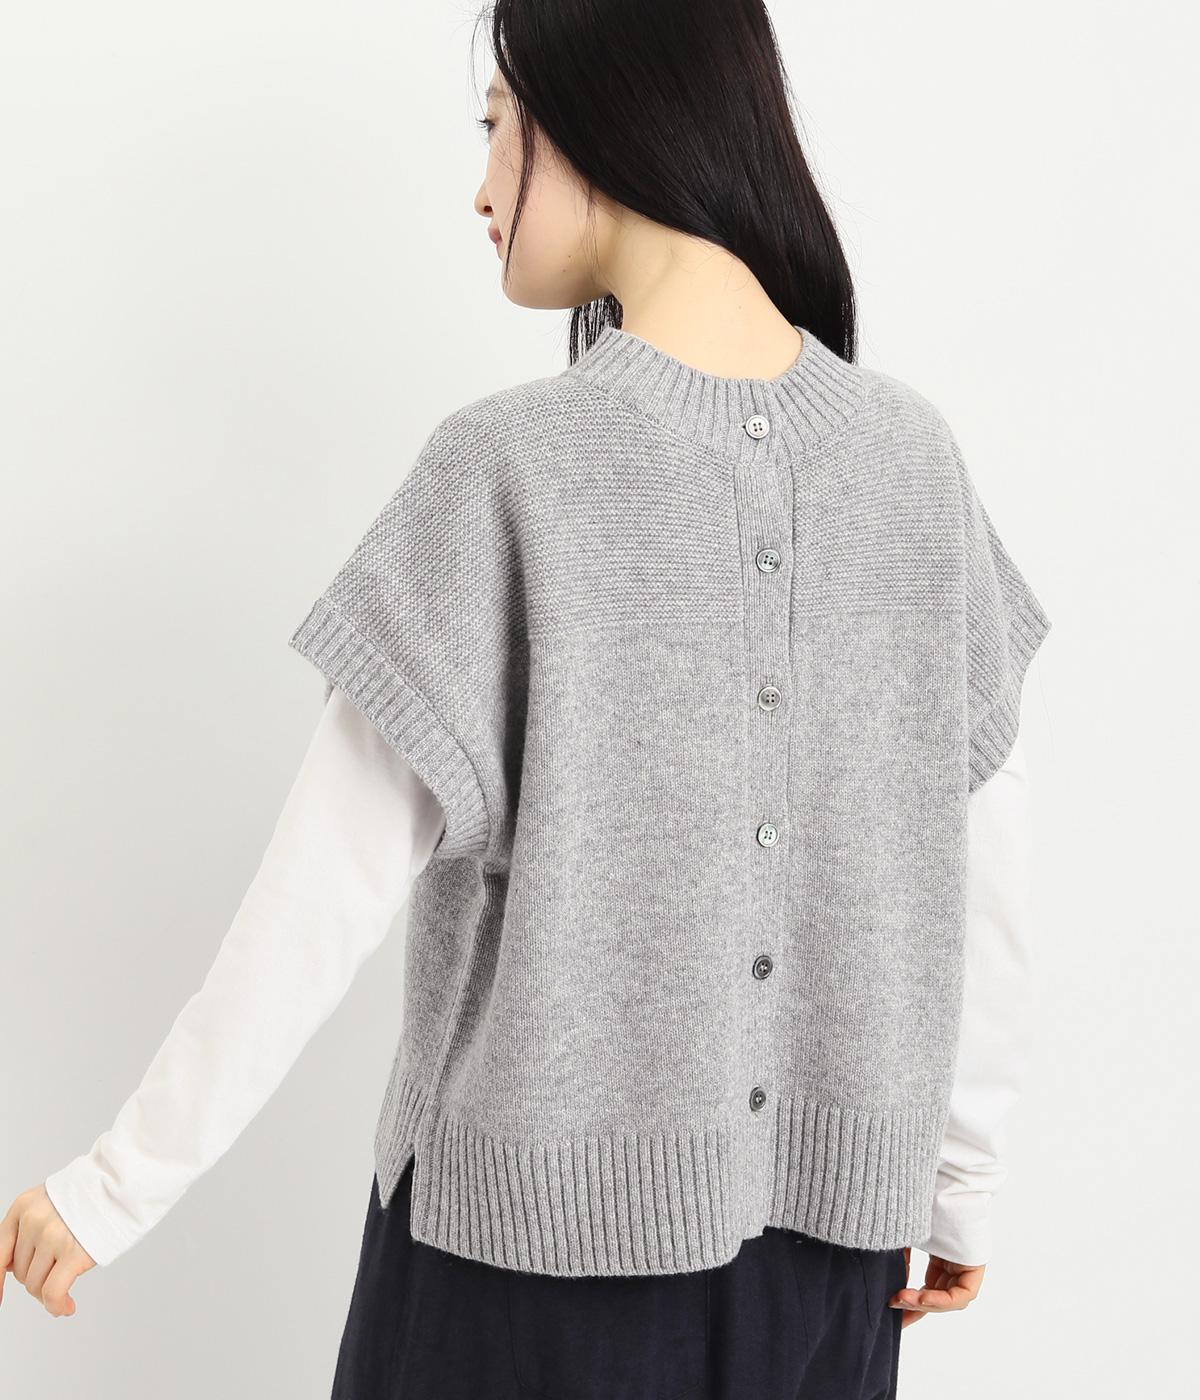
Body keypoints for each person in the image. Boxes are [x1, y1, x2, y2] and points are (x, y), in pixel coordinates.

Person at [1, 3, 1051, 1397]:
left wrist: (113, 1185)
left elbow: (322, 891)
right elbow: (986, 869)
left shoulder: (508, 469)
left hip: (520, 1280)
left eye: (499, 124)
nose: (482, 183)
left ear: (605, 112)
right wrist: (960, 1184)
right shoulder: (915, 462)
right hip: (829, 1281)